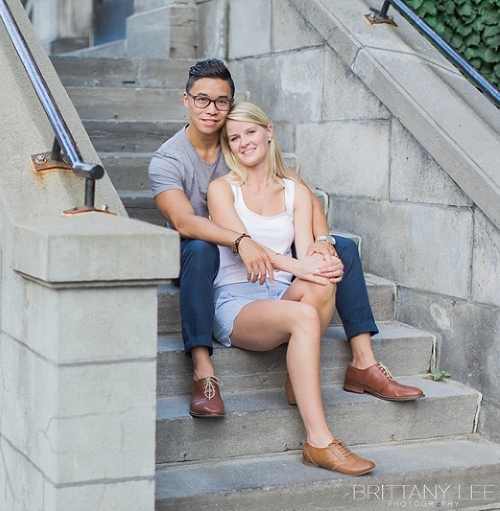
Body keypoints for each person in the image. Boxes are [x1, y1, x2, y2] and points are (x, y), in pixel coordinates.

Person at [148, 58, 422, 419]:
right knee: (201, 249)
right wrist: (241, 241)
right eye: (202, 99)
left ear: (231, 104)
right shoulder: (168, 159)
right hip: (202, 257)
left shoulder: (243, 142)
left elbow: (298, 190)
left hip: (259, 257)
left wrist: (321, 239)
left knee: (344, 248)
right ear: (187, 100)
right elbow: (184, 221)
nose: (211, 110)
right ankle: (203, 371)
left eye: (221, 101)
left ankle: (363, 361)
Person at [207, 101, 374, 475]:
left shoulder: (293, 189)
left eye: (249, 132)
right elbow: (249, 247)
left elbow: (305, 242)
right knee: (303, 308)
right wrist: (304, 266)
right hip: (239, 300)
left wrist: (321, 253)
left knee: (325, 279)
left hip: (282, 292)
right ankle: (319, 441)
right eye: (234, 138)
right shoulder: (222, 190)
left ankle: (298, 380)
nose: (243, 142)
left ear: (268, 131)